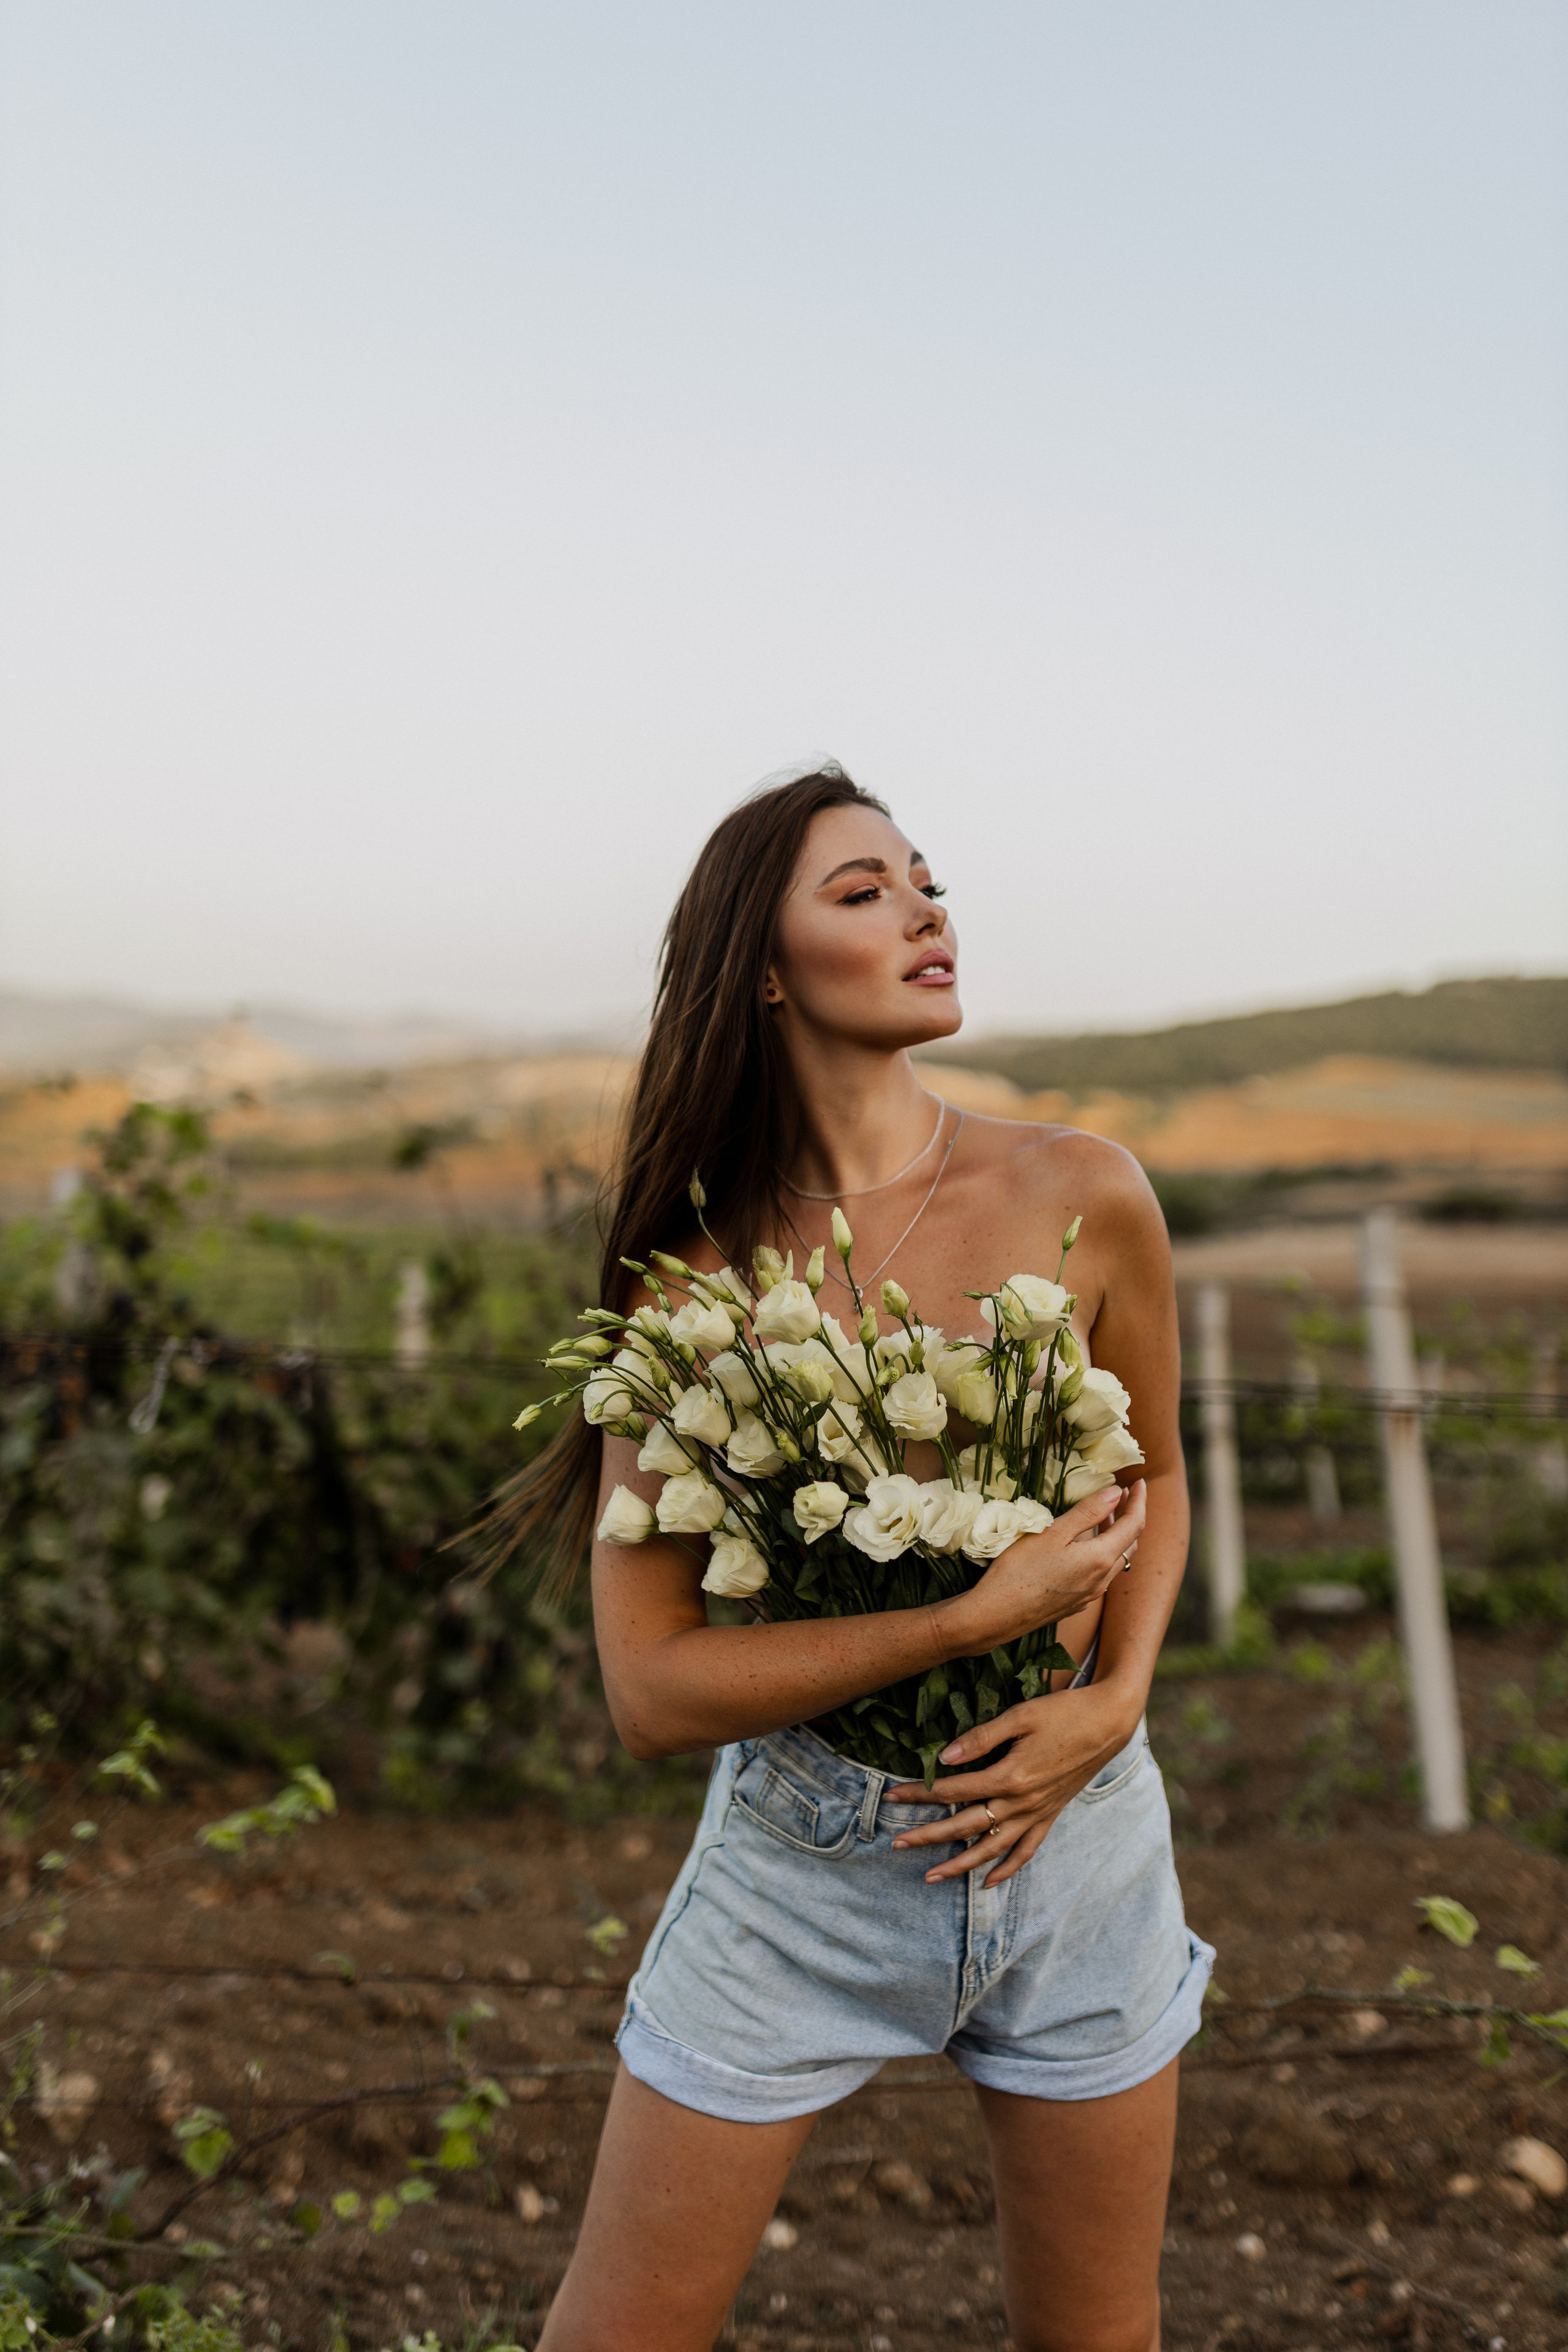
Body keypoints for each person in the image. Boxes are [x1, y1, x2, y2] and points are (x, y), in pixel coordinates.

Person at [505, 762, 1210, 2352]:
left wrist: (1116, 1702)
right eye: (864, 889)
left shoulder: (1084, 1191)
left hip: (1078, 1846)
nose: (926, 909)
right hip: (803, 1871)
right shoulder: (686, 1291)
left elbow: (1157, 1473)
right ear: (762, 969)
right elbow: (653, 1691)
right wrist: (976, 1613)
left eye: (926, 879)